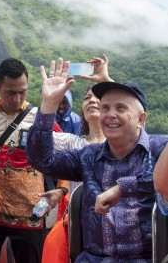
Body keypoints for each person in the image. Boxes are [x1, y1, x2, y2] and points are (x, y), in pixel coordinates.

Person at [26, 58, 168, 262]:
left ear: (141, 119)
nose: (110, 115)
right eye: (105, 108)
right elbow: (41, 159)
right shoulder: (88, 155)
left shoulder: (159, 148)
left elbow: (161, 180)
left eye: (120, 109)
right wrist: (48, 105)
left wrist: (123, 188)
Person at [0, 57, 68, 263]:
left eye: (22, 91)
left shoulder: (41, 119)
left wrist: (61, 190)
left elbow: (63, 157)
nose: (17, 98)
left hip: (30, 214)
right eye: (10, 92)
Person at [41, 55, 112, 263]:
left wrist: (107, 82)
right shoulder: (73, 144)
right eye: (87, 98)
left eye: (98, 97)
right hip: (80, 231)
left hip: (117, 230)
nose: (91, 100)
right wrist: (48, 102)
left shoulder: (123, 145)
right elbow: (40, 146)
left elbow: (136, 120)